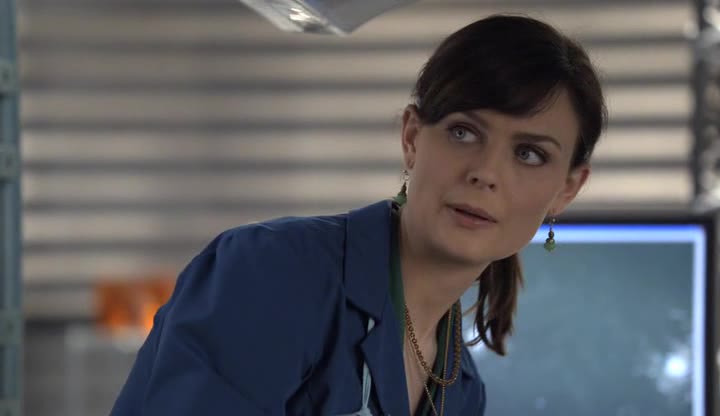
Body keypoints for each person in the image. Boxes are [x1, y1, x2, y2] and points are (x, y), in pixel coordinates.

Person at [110, 13, 606, 416]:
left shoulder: (458, 389)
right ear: (412, 138)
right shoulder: (273, 273)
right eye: (463, 132)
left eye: (529, 154)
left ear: (566, 189)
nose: (486, 173)